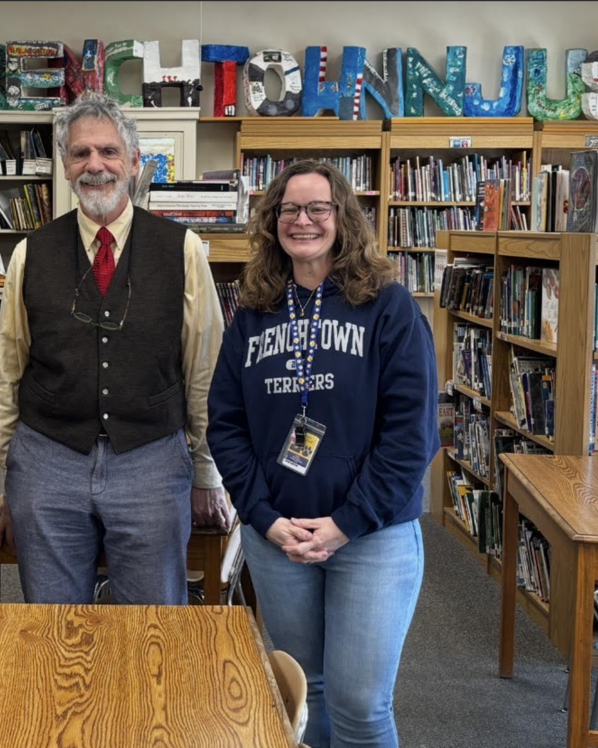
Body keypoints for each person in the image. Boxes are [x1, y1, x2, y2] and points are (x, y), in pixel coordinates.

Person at [206, 160, 438, 748]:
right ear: (271, 221)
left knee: (360, 704)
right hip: (278, 537)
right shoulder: (254, 313)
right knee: (303, 693)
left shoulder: (389, 308)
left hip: (371, 536)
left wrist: (345, 524)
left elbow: (412, 435)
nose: (302, 220)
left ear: (342, 219)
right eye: (288, 209)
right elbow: (225, 426)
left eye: (317, 208)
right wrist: (264, 518)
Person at [0, 90, 229, 605]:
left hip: (152, 459)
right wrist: (13, 472)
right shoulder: (30, 254)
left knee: (152, 627)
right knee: (51, 628)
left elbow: (204, 369)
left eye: (109, 152)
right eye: (80, 154)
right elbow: (8, 370)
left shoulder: (182, 250)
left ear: (135, 163)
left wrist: (206, 472)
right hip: (47, 459)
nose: (95, 165)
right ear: (67, 166)